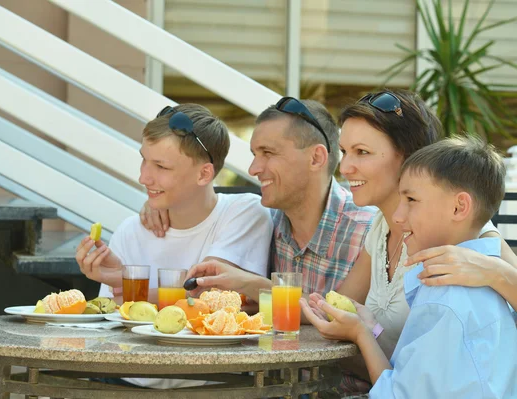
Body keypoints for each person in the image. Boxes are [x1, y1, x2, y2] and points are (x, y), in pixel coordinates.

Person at [75, 103, 272, 389]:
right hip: (125, 385)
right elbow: (116, 325)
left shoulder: (245, 212)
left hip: (214, 388)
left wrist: (129, 283)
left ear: (204, 174)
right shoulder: (131, 231)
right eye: (144, 160)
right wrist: (124, 286)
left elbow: (209, 296)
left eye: (161, 167)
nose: (144, 177)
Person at [302, 136, 517, 398]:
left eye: (411, 200)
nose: (397, 215)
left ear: (459, 207)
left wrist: (361, 334)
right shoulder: (487, 285)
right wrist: (369, 329)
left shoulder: (445, 299)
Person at [145, 97, 376, 303]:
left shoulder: (368, 231)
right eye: (255, 155)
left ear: (316, 158)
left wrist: (251, 284)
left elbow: (346, 318)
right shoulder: (261, 220)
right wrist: (160, 205)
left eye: (268, 153)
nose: (253, 169)